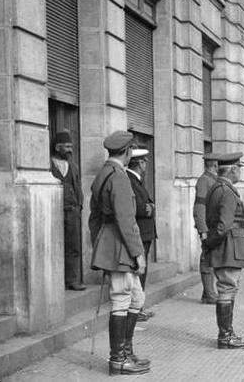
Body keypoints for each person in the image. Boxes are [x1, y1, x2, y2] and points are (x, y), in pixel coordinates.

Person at [89, 131, 150, 376]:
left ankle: (126, 351)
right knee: (123, 297)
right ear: (126, 153)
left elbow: (94, 217)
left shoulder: (102, 174)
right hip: (121, 245)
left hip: (110, 242)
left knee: (137, 298)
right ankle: (119, 359)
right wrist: (138, 253)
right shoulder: (120, 177)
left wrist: (99, 244)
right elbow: (126, 219)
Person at [203, 152, 244, 349]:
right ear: (232, 169)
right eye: (239, 168)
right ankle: (225, 336)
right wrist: (210, 243)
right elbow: (223, 226)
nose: (240, 171)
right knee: (227, 289)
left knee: (227, 288)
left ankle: (227, 333)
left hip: (226, 246)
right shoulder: (227, 191)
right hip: (228, 249)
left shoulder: (217, 188)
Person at [50, 130, 85, 291]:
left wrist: (79, 206)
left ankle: (72, 280)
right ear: (57, 147)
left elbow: (78, 186)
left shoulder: (73, 166)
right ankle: (54, 281)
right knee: (54, 246)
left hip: (72, 211)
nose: (70, 150)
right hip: (54, 212)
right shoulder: (48, 164)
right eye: (67, 146)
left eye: (71, 146)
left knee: (73, 247)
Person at [126, 146, 156, 322]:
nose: (146, 164)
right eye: (144, 161)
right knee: (139, 271)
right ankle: (136, 308)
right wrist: (150, 208)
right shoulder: (130, 180)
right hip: (140, 233)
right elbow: (137, 207)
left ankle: (139, 307)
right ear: (139, 163)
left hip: (145, 233)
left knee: (141, 272)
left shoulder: (135, 179)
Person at [193, 153, 220, 304]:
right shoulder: (204, 181)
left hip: (213, 226)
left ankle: (207, 293)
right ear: (215, 165)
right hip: (208, 227)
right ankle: (210, 294)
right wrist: (202, 229)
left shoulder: (212, 180)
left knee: (211, 258)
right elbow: (199, 206)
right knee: (207, 259)